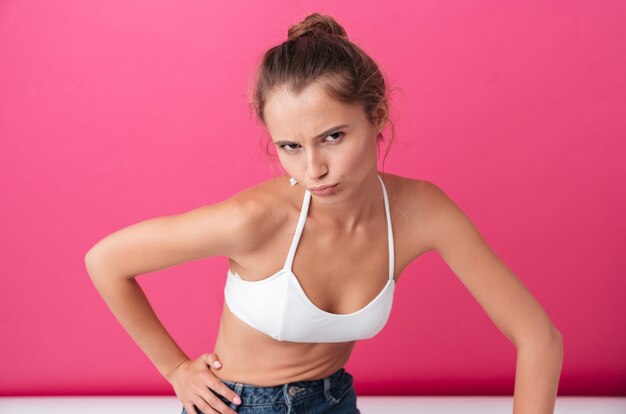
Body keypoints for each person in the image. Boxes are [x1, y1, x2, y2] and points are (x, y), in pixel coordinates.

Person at [84, 12, 563, 414]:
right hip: (240, 405)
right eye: (291, 146)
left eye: (333, 136)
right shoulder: (255, 219)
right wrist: (175, 369)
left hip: (336, 400)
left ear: (376, 116)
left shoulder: (421, 212)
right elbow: (106, 260)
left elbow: (538, 338)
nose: (314, 169)